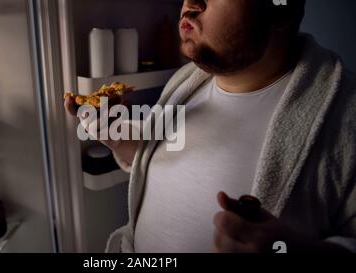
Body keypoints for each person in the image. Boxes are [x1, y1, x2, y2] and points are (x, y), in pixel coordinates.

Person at [65, 0, 356, 253]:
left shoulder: (344, 115)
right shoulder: (186, 81)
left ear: (281, 11)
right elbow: (152, 157)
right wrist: (116, 137)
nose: (190, 3)